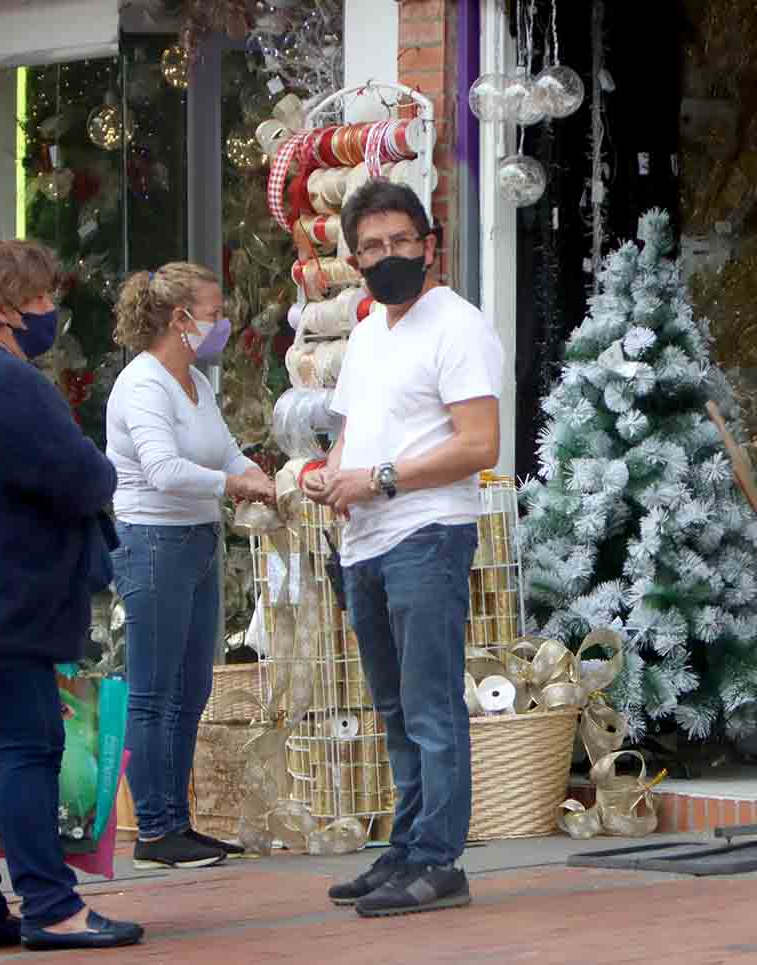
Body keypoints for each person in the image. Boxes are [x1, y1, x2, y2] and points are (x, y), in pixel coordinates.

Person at [302, 179, 502, 918]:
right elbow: (353, 432)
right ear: (354, 259)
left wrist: (378, 480)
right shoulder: (364, 334)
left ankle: (438, 859)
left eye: (401, 242)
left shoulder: (458, 325)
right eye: (373, 247)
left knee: (428, 703)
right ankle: (410, 839)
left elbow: (480, 443)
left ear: (429, 245)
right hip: (365, 539)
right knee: (393, 704)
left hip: (427, 533)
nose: (388, 256)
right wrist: (334, 482)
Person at [0, 240, 144, 952]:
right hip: (6, 604)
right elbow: (86, 478)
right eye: (41, 300)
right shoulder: (10, 381)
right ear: (1, 307)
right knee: (28, 750)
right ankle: (51, 906)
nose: (51, 312)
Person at [107, 262, 275, 870]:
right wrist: (237, 484)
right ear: (180, 319)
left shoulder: (196, 384)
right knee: (154, 692)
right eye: (213, 311)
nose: (222, 322)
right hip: (152, 543)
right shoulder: (144, 384)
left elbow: (224, 446)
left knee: (191, 689)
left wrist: (256, 475)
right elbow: (163, 470)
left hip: (197, 541)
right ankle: (154, 828)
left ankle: (177, 821)